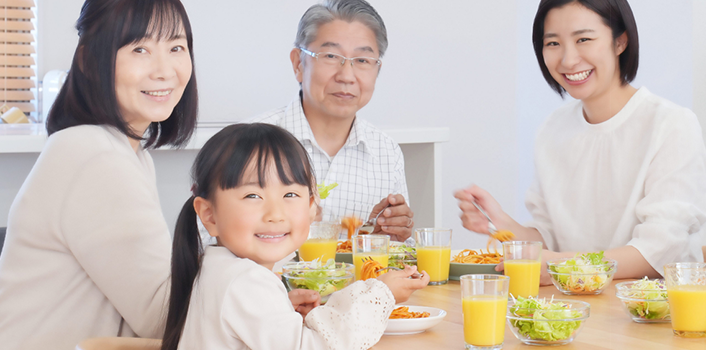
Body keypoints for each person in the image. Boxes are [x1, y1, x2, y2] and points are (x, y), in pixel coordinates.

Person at [455, 0, 706, 282]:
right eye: (553, 43)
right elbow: (550, 241)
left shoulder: (670, 124)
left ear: (620, 42)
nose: (568, 59)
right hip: (570, 311)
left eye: (584, 39)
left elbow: (660, 252)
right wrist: (499, 222)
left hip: (655, 315)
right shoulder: (553, 129)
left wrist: (563, 267)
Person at [0, 1, 198, 348]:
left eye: (176, 47)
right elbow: (164, 317)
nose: (165, 70)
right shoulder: (93, 154)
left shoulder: (125, 152)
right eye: (140, 48)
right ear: (89, 61)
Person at [161, 123, 428, 350]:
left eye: (290, 195)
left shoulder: (220, 269)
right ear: (209, 215)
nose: (275, 214)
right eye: (252, 196)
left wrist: (280, 309)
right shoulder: (247, 281)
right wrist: (379, 293)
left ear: (312, 206)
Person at [250, 0, 414, 242]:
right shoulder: (249, 142)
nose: (346, 76)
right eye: (330, 56)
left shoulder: (386, 152)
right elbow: (209, 242)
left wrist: (385, 238)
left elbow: (402, 255)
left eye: (362, 60)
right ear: (298, 63)